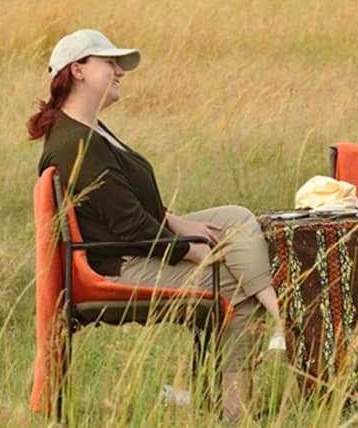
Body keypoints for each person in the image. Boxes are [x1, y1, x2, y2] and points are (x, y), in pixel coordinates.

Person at [29, 28, 284, 421]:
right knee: (231, 285)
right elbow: (130, 227)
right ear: (77, 70)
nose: (120, 71)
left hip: (139, 241)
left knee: (234, 217)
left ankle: (279, 312)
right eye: (109, 62)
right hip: (119, 264)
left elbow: (129, 202)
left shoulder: (92, 130)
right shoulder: (74, 143)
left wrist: (177, 221)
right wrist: (191, 249)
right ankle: (236, 410)